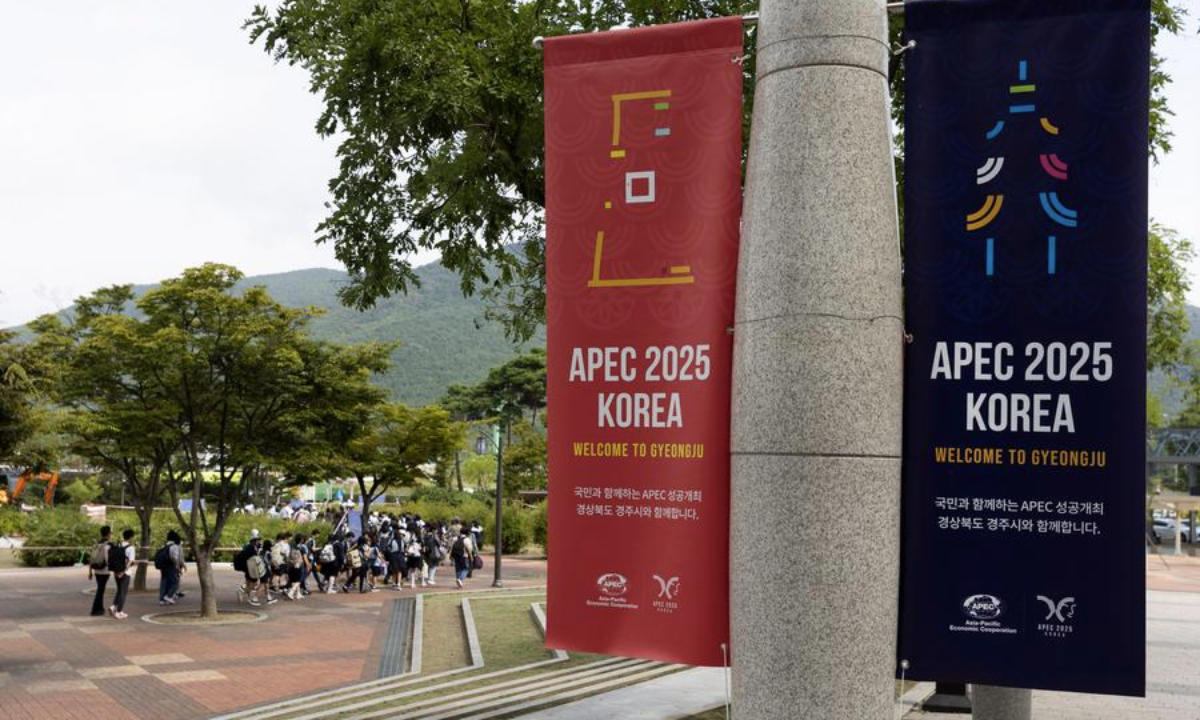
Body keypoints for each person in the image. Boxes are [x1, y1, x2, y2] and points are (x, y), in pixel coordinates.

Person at [108, 529, 136, 619]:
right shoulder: (131, 548)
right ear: (131, 537)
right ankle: (119, 611)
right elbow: (131, 561)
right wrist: (123, 571)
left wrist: (118, 572)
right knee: (123, 592)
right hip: (125, 572)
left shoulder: (118, 545)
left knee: (119, 590)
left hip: (116, 571)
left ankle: (113, 607)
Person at [87, 525, 112, 617]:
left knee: (100, 589)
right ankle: (95, 609)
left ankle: (100, 608)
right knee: (100, 590)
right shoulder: (108, 546)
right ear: (108, 534)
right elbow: (109, 559)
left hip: (96, 570)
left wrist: (90, 572)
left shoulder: (96, 544)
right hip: (105, 571)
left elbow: (91, 558)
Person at [155, 530, 186, 605]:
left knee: (164, 582)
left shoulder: (164, 546)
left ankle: (162, 599)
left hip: (163, 567)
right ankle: (169, 596)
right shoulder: (174, 546)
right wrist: (178, 567)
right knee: (175, 582)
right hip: (171, 566)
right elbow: (174, 558)